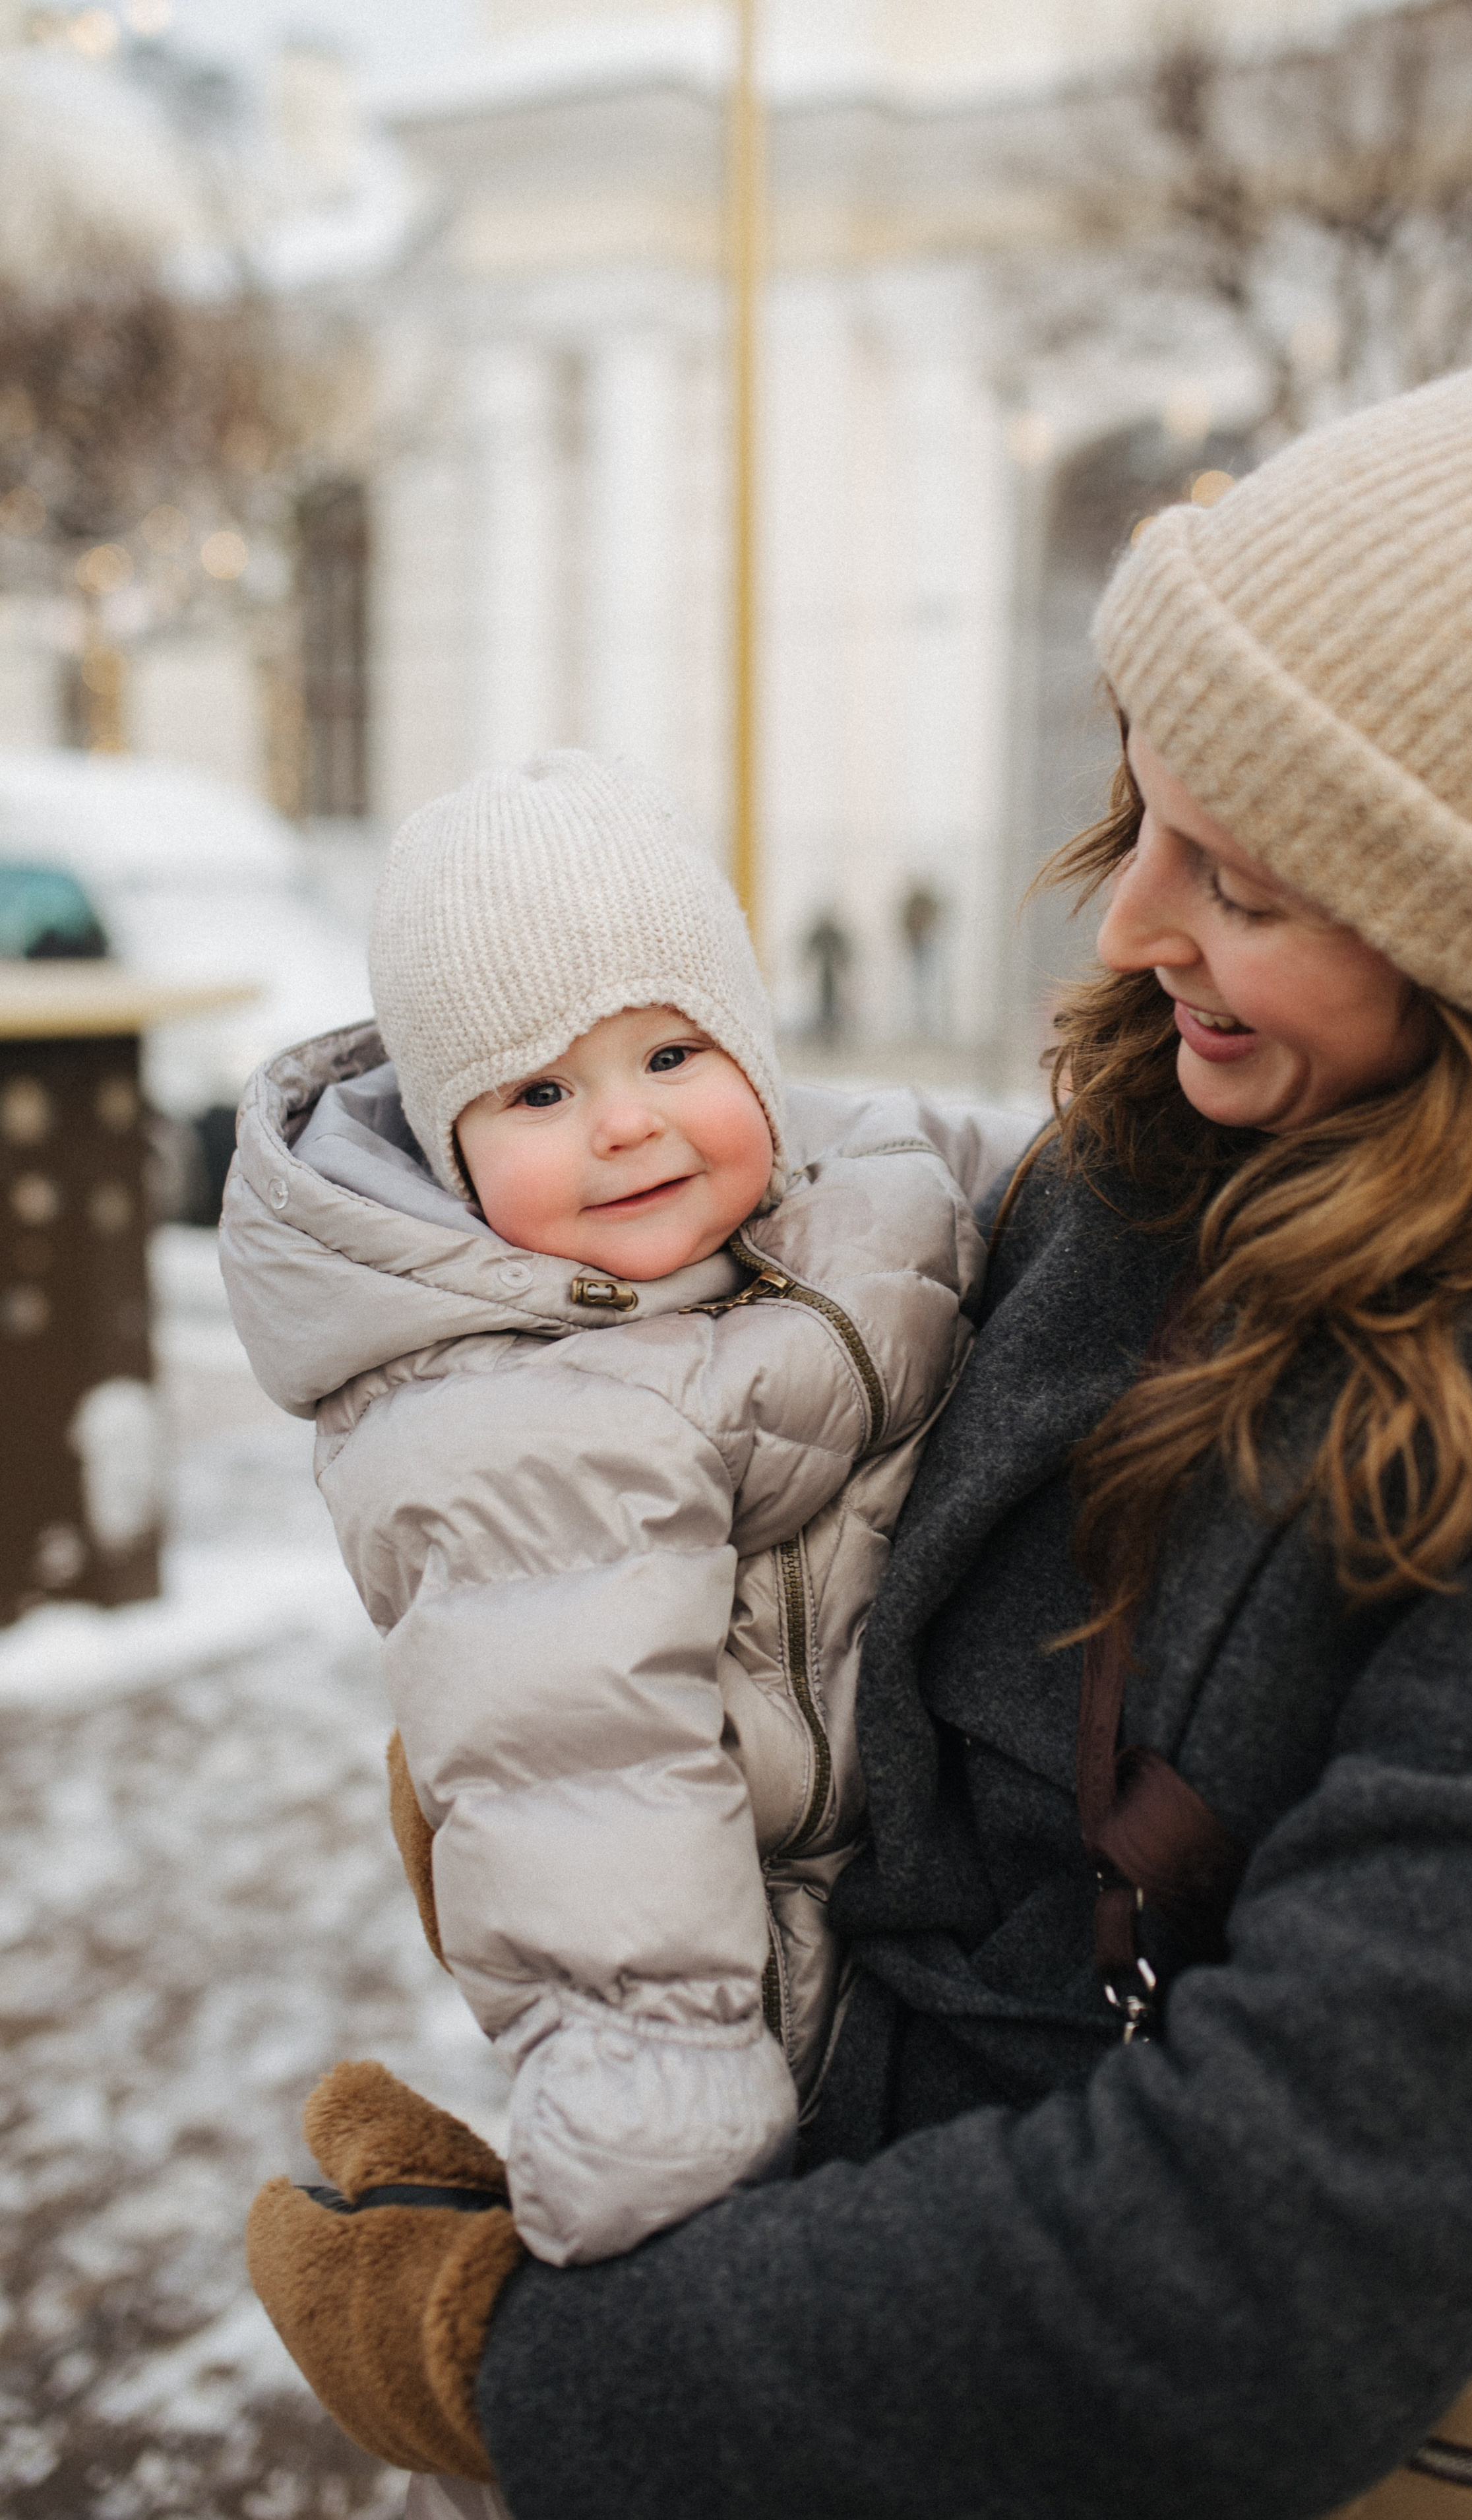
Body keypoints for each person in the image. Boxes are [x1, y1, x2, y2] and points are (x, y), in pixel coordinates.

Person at [249, 288, 1472, 2516]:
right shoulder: (1153, 1158)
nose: (1126, 922)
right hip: (872, 2232)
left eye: (1247, 877)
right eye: (1143, 811)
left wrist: (546, 2375)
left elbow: (1247, 2264)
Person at [222, 753, 1028, 2509]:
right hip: (759, 1973)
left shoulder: (848, 1172)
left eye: (672, 1050)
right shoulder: (514, 1427)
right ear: (448, 1142)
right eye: (537, 1088)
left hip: (937, 1879)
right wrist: (668, 2152)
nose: (628, 1123)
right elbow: (582, 1794)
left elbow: (1050, 1172)